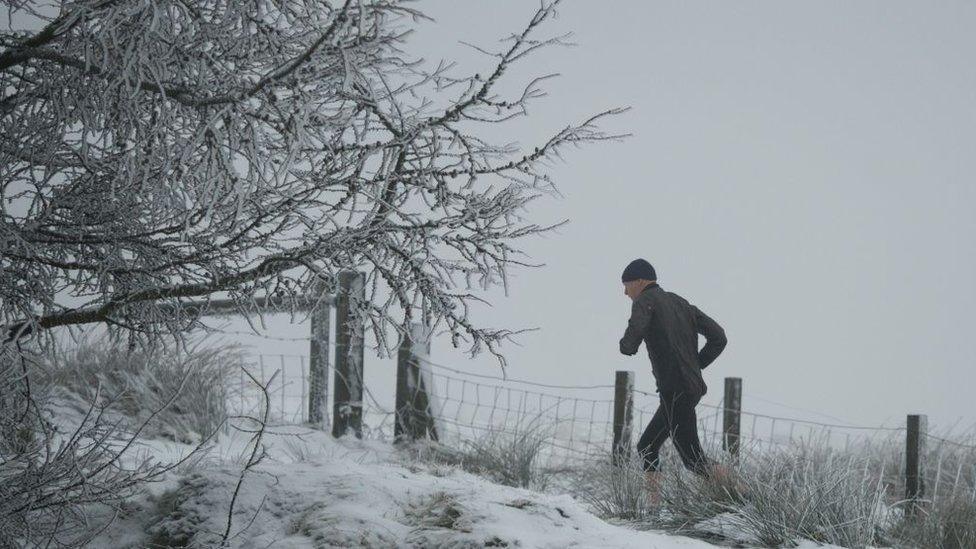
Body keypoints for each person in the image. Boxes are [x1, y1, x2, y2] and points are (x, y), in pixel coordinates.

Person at [618, 258, 729, 498]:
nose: (625, 292)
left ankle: (743, 496)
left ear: (640, 281)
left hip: (676, 388)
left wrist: (626, 345)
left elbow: (632, 338)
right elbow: (719, 337)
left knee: (693, 459)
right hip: (686, 387)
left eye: (627, 285)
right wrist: (695, 366)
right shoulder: (680, 302)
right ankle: (653, 507)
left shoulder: (645, 301)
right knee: (647, 447)